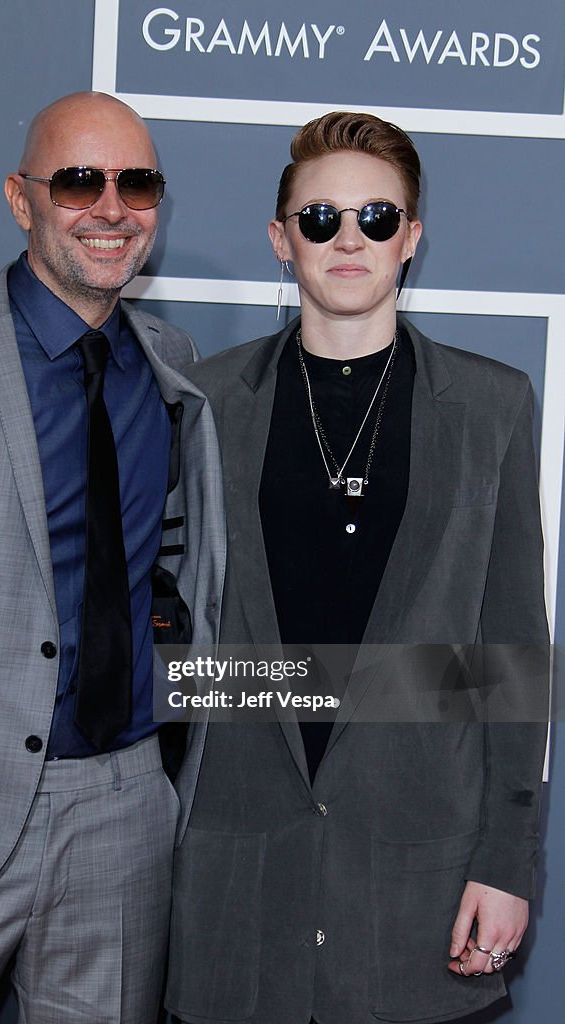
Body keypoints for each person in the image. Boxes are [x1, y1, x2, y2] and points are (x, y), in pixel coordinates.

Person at [165, 112, 549, 1024]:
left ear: (410, 238)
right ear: (279, 238)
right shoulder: (203, 403)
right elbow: (170, 639)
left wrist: (505, 858)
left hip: (416, 874)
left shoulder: (491, 406)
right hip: (233, 871)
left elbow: (507, 658)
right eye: (320, 217)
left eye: (376, 218)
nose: (348, 239)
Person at [0, 91, 224, 1023]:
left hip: (122, 811)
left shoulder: (167, 361)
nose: (111, 208)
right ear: (18, 196)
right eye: (78, 181)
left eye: (137, 182)